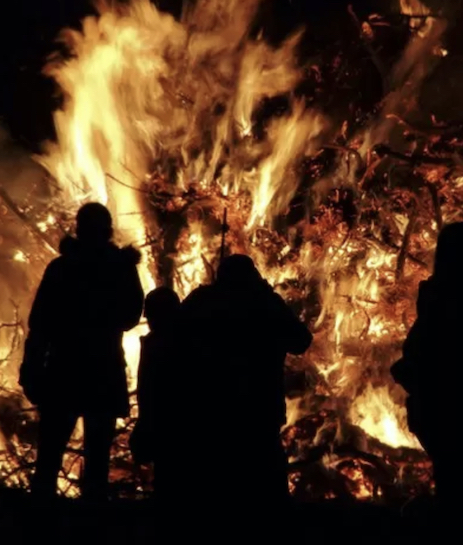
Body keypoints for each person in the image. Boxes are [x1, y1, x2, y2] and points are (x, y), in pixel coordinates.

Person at [177, 254, 312, 535]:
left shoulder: (203, 301)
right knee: (264, 474)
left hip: (212, 406)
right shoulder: (264, 303)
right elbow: (301, 340)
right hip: (259, 403)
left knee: (217, 474)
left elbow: (175, 334)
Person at [21, 202, 144, 502]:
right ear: (108, 231)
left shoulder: (62, 268)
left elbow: (40, 325)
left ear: (79, 229)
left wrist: (32, 368)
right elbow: (130, 317)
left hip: (64, 370)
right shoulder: (121, 268)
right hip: (102, 371)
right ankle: (90, 524)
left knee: (49, 456)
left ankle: (42, 521)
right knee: (96, 460)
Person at [391, 221, 463, 529]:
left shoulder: (442, 300)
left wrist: (408, 372)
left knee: (455, 493)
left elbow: (423, 353)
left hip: (445, 413)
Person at [129, 286, 181, 499]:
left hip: (170, 424)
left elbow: (149, 391)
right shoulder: (159, 343)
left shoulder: (162, 346)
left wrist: (145, 423)